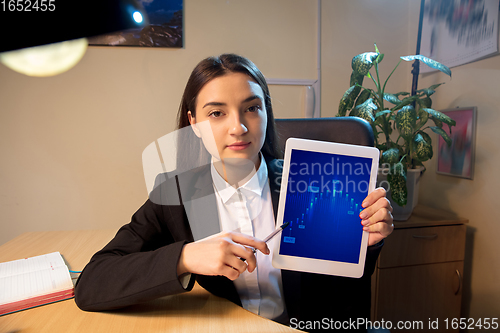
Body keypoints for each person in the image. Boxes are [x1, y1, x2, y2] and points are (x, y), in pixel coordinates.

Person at [74, 54, 394, 331]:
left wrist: (366, 244)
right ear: (193, 122)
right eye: (217, 113)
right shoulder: (174, 195)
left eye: (252, 108)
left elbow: (342, 299)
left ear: (266, 112)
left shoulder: (315, 183)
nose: (238, 127)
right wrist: (185, 257)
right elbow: (92, 283)